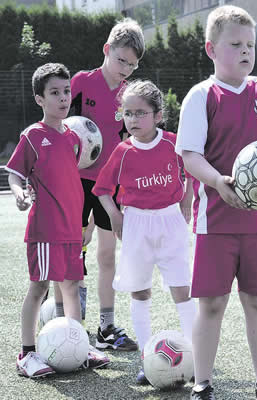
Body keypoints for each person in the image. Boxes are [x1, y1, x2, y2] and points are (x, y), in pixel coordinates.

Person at [176, 5, 257, 400]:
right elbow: (189, 155)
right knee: (211, 304)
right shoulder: (201, 96)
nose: (246, 51)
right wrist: (217, 181)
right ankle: (202, 383)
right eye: (235, 45)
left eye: (251, 44)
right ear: (211, 49)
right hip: (216, 219)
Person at [6, 63, 110, 378]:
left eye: (66, 91)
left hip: (71, 230)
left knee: (72, 287)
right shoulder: (33, 136)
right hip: (45, 229)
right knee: (39, 288)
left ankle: (78, 347)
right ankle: (27, 354)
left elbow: (75, 184)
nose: (63, 98)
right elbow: (14, 174)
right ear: (40, 99)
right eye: (54, 93)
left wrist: (88, 221)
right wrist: (19, 193)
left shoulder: (76, 138)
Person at [92, 80, 196, 384]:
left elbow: (191, 172)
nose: (133, 119)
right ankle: (148, 361)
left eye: (141, 113)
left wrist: (186, 204)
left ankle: (195, 357)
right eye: (128, 113)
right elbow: (102, 190)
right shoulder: (123, 151)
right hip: (136, 224)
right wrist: (116, 217)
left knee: (182, 289)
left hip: (170, 222)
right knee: (140, 290)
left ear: (158, 115)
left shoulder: (173, 144)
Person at [69, 18, 145, 351]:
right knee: (71, 250)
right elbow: (57, 126)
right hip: (74, 181)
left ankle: (106, 326)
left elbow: (133, 140)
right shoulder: (81, 83)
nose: (126, 69)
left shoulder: (131, 96)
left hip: (109, 185)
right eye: (121, 61)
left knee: (108, 254)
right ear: (106, 50)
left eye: (132, 64)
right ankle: (68, 323)